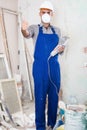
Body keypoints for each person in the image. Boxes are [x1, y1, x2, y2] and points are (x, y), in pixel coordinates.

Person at [21, 1, 65, 130]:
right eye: (43, 12)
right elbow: (27, 34)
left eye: (48, 12)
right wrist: (23, 29)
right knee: (40, 98)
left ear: (52, 14)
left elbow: (60, 48)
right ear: (39, 13)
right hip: (40, 68)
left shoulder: (57, 30)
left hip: (54, 68)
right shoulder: (34, 28)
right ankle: (40, 126)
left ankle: (51, 124)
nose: (46, 14)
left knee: (53, 98)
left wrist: (62, 49)